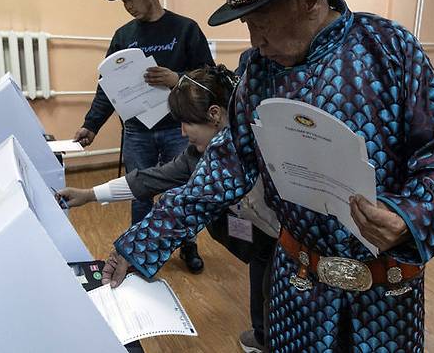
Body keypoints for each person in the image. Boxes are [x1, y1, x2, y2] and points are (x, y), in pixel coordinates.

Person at [101, 0, 434, 352]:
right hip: (296, 294)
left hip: (385, 298)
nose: (255, 43)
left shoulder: (389, 49)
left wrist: (409, 217)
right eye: (247, 27)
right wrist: (142, 243)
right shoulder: (258, 71)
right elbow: (225, 165)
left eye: (261, 24)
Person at [61, 65, 278, 352]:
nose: (182, 131)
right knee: (260, 276)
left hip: (288, 237)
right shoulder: (196, 157)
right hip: (258, 236)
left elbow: (187, 203)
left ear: (214, 115)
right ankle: (262, 336)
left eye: (187, 122)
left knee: (277, 291)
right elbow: (150, 179)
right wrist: (89, 194)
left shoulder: (262, 144)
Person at [73, 0, 214, 273]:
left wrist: (178, 78)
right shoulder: (124, 36)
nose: (127, 6)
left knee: (184, 192)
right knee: (140, 191)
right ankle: (138, 250)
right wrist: (91, 125)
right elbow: (107, 86)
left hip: (179, 127)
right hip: (138, 131)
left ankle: (187, 246)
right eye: (122, 1)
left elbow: (210, 78)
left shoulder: (185, 29)